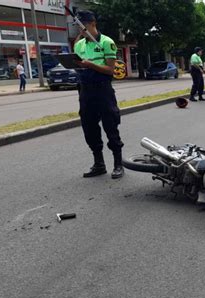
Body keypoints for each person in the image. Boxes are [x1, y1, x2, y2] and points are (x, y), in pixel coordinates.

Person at [73, 10, 124, 179]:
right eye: (78, 26)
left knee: (110, 125)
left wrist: (91, 65)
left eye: (83, 26)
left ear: (92, 24)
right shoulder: (79, 44)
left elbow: (110, 70)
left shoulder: (106, 42)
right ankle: (99, 164)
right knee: (89, 127)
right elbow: (78, 63)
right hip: (85, 90)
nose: (80, 30)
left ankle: (118, 164)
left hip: (103, 89)